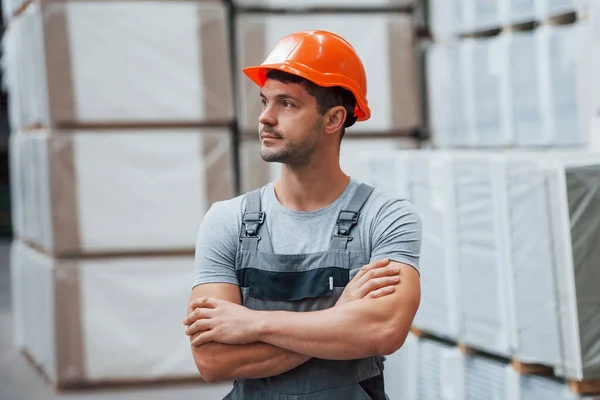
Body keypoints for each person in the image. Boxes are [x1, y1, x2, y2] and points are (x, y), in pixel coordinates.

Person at [183, 30, 422, 400]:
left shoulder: (385, 217)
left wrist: (250, 323)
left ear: (333, 119)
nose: (265, 117)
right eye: (265, 101)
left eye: (287, 104)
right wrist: (339, 317)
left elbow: (384, 331)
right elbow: (213, 359)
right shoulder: (226, 220)